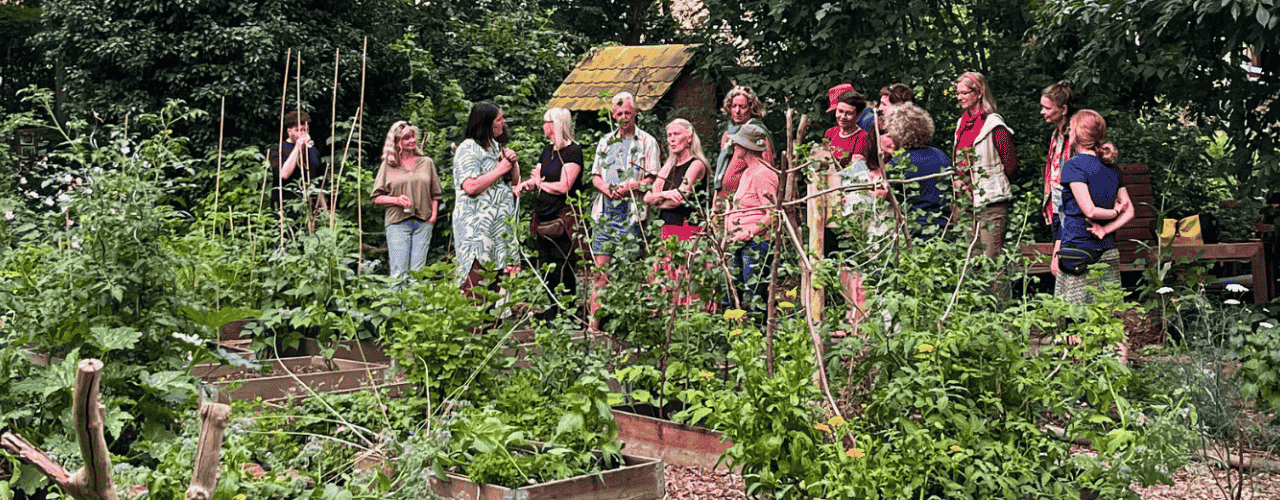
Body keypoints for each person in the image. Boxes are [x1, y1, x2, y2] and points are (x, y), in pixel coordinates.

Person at [587, 92, 660, 331]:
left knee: (634, 269)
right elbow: (596, 176)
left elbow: (653, 178)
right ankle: (593, 328)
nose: (623, 117)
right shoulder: (606, 141)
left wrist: (632, 185)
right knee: (600, 271)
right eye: (618, 114)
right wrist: (607, 188)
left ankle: (637, 325)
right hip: (606, 211)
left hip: (631, 212)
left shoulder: (648, 142)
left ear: (636, 112)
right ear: (612, 115)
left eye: (628, 113)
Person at [1051, 110, 1133, 304]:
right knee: (1106, 316)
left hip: (1078, 252)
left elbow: (1089, 211)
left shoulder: (1073, 166)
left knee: (1074, 319)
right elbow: (1129, 210)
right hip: (1108, 250)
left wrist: (1113, 212)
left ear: (1076, 135)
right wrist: (1105, 229)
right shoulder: (1112, 168)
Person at [515, 107, 585, 318]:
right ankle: (553, 310)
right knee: (546, 266)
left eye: (547, 122)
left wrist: (540, 183)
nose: (543, 126)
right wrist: (526, 185)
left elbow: (565, 185)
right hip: (544, 214)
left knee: (564, 265)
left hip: (562, 217)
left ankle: (568, 312)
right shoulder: (547, 151)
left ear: (556, 124)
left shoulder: (573, 151)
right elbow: (538, 180)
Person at [452, 102, 521, 295]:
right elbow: (470, 186)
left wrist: (512, 164)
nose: (504, 122)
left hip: (498, 233)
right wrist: (499, 170)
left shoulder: (496, 147)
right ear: (487, 124)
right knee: (476, 289)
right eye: (499, 119)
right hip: (477, 234)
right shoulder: (468, 148)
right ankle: (471, 326)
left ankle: (491, 326)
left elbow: (513, 182)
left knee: (494, 292)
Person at [952, 71, 1017, 259]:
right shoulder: (961, 124)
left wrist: (990, 182)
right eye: (958, 93)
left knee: (992, 259)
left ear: (978, 92)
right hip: (966, 201)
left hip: (991, 200)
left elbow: (1011, 164)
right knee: (971, 260)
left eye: (964, 93)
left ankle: (998, 290)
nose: (960, 98)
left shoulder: (994, 124)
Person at [372, 121, 442, 281]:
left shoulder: (427, 162)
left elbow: (435, 194)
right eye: (406, 138)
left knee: (416, 275)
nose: (412, 141)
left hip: (423, 223)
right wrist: (397, 200)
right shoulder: (388, 165)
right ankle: (397, 307)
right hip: (397, 223)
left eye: (413, 137)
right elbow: (376, 197)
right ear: (396, 142)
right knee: (398, 274)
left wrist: (433, 217)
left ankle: (415, 307)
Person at [723, 123, 778, 315]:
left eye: (738, 145)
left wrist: (750, 233)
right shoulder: (747, 171)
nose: (735, 147)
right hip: (739, 240)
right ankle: (732, 335)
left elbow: (772, 213)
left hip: (755, 243)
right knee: (730, 290)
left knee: (754, 294)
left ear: (745, 148)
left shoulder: (763, 173)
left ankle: (759, 335)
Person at [885, 102, 950, 240]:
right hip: (943, 227)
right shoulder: (940, 155)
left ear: (899, 132)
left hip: (913, 231)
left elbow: (886, 194)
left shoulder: (900, 162)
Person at [645, 118, 710, 241]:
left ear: (689, 138)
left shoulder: (696, 164)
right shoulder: (668, 166)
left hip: (689, 229)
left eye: (677, 134)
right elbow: (648, 198)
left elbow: (679, 199)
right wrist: (667, 194)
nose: (672, 139)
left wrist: (658, 200)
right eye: (669, 135)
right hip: (667, 228)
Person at [713, 86, 773, 198]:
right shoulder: (727, 134)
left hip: (747, 198)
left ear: (751, 108)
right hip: (725, 198)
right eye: (733, 106)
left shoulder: (758, 132)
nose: (737, 111)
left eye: (742, 107)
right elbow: (724, 167)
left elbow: (767, 166)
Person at [1040, 83, 1078, 242]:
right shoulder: (1056, 134)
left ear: (1063, 110)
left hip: (1073, 208)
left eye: (1047, 108)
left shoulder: (1077, 135)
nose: (1042, 112)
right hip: (1057, 205)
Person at [267, 111, 323, 213]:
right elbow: (283, 174)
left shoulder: (314, 151)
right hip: (285, 208)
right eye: (298, 130)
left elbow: (319, 184)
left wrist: (325, 211)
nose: (303, 133)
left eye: (305, 130)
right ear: (289, 131)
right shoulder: (278, 149)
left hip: (309, 209)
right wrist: (298, 147)